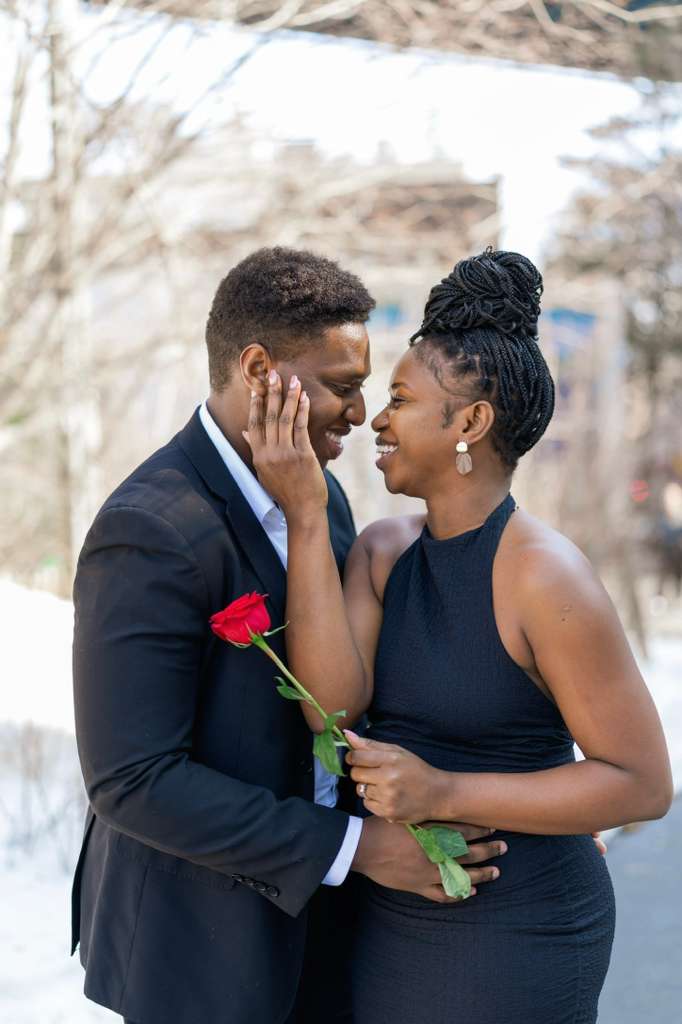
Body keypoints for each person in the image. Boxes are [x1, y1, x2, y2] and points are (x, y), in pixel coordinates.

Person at [70, 247, 505, 1024]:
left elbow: (339, 689)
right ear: (260, 368)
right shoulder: (150, 528)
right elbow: (132, 780)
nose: (360, 411)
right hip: (199, 949)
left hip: (329, 929)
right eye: (342, 385)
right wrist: (357, 849)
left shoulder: (323, 497)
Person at [243, 248, 673, 1024]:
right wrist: (306, 512)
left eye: (402, 398)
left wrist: (444, 791)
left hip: (520, 925)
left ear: (470, 422)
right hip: (390, 919)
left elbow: (642, 783)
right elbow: (329, 712)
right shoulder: (380, 552)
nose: (378, 416)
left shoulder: (547, 578)